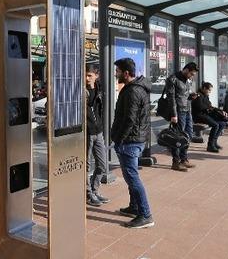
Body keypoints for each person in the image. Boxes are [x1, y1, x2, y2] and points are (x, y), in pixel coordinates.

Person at [110, 58, 154, 229]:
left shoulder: (132, 91)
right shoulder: (135, 88)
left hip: (130, 141)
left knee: (132, 177)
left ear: (126, 73)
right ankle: (134, 207)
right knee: (131, 177)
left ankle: (145, 214)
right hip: (133, 139)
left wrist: (119, 139)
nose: (116, 74)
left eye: (118, 71)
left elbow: (130, 120)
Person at [164, 62, 199, 170]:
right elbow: (171, 98)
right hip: (179, 112)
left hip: (187, 110)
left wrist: (191, 96)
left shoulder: (187, 80)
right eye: (191, 74)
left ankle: (184, 159)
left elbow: (185, 94)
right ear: (187, 70)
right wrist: (174, 114)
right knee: (178, 138)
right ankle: (176, 162)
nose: (192, 76)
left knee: (188, 135)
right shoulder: (173, 79)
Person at [85, 65, 109, 206]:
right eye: (85, 75)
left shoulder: (99, 89)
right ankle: (88, 194)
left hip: (98, 131)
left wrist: (100, 125)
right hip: (87, 132)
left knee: (102, 164)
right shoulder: (81, 90)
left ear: (96, 75)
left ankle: (95, 190)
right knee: (87, 166)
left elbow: (99, 110)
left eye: (90, 75)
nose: (87, 78)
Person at [192, 82, 228, 153]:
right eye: (209, 90)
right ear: (204, 88)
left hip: (206, 115)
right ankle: (210, 145)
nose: (210, 92)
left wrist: (219, 110)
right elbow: (200, 107)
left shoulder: (205, 96)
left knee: (222, 123)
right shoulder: (198, 96)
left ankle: (214, 142)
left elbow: (210, 105)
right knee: (215, 125)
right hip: (199, 116)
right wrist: (209, 108)